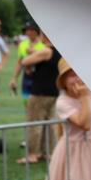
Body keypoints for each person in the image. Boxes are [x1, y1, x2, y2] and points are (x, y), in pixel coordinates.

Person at [17, 33, 61, 164]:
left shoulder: (46, 51)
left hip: (40, 92)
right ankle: (48, 152)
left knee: (34, 123)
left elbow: (25, 61)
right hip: (54, 91)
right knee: (50, 124)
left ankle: (32, 154)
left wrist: (31, 51)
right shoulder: (59, 51)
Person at [10, 21, 44, 103]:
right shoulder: (22, 44)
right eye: (27, 30)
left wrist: (35, 52)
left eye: (31, 30)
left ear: (37, 31)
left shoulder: (44, 44)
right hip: (26, 78)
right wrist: (14, 78)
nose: (29, 32)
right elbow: (19, 62)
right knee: (27, 105)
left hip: (41, 79)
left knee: (39, 106)